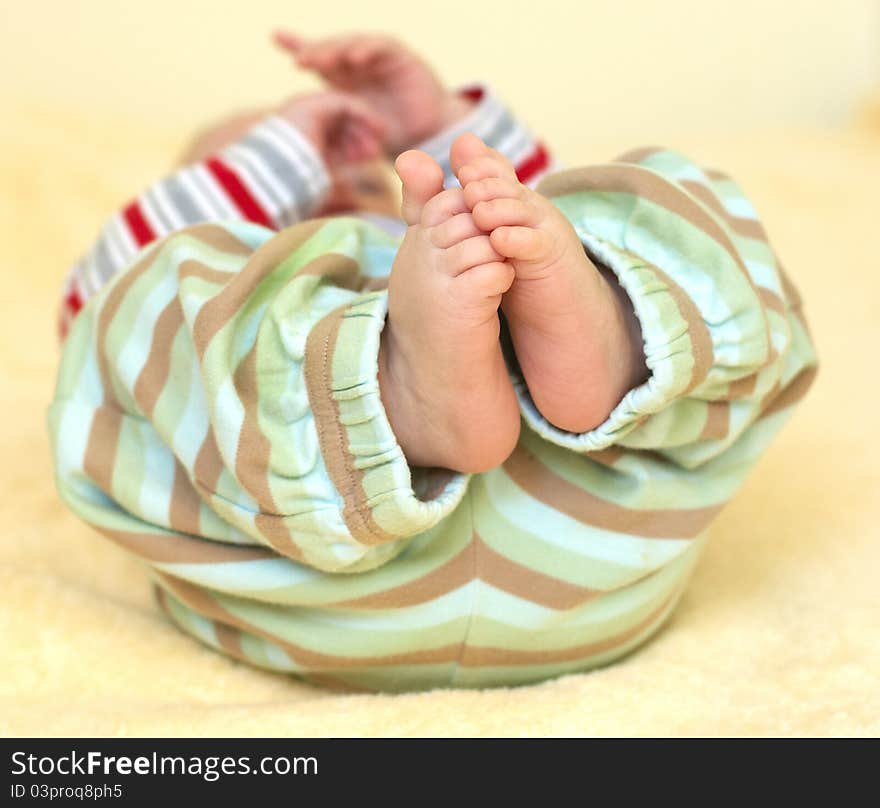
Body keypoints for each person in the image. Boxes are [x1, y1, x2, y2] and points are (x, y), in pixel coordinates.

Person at [48, 31, 818, 691]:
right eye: (254, 175)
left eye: (358, 181)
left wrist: (447, 137)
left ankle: (612, 330)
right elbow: (106, 295)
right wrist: (277, 158)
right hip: (308, 548)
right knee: (153, 313)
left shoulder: (433, 253)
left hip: (590, 514)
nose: (327, 176)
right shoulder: (220, 278)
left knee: (645, 210)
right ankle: (387, 388)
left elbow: (532, 200)